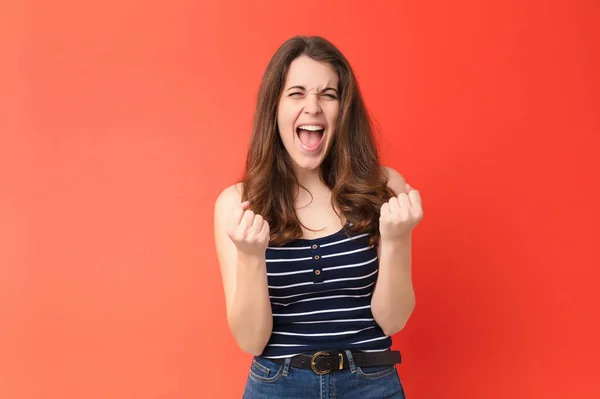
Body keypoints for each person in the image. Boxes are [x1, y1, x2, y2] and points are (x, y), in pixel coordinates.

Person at [213, 35, 423, 399]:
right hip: (278, 386)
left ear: (344, 109)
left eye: (328, 94)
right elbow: (252, 340)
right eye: (296, 93)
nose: (313, 107)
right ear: (274, 108)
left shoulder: (384, 187)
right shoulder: (238, 204)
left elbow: (393, 320)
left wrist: (397, 238)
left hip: (371, 383)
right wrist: (249, 256)